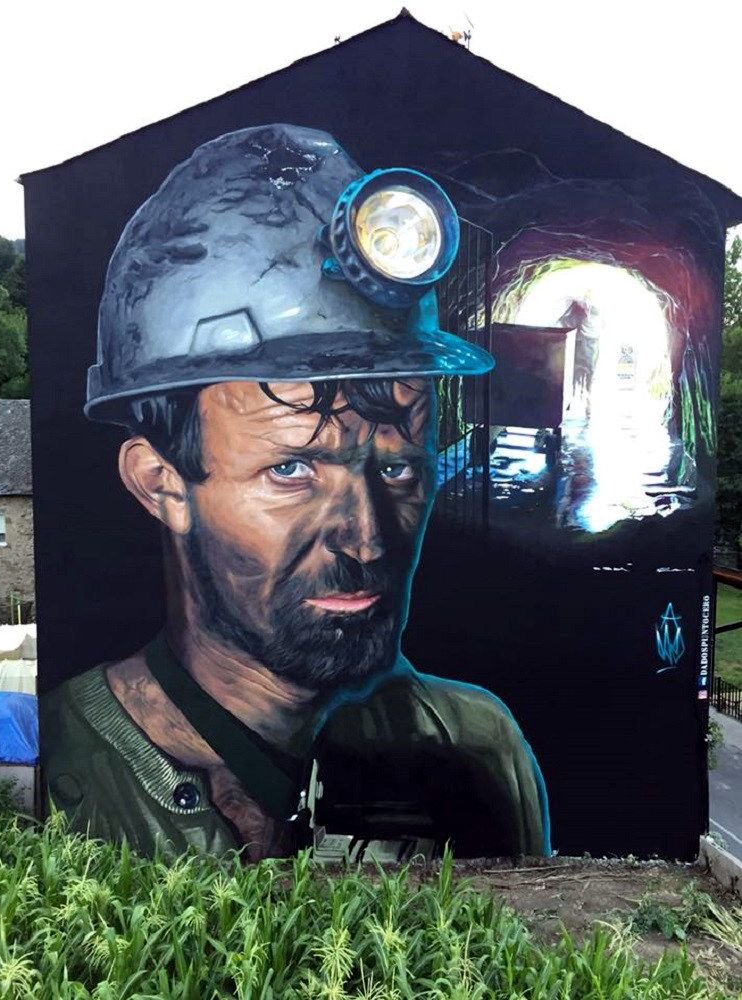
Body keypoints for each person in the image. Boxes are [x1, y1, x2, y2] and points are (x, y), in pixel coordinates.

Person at [41, 124, 550, 862]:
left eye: (397, 469)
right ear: (160, 484)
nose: (366, 538)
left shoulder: (476, 749)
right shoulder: (58, 773)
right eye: (291, 471)